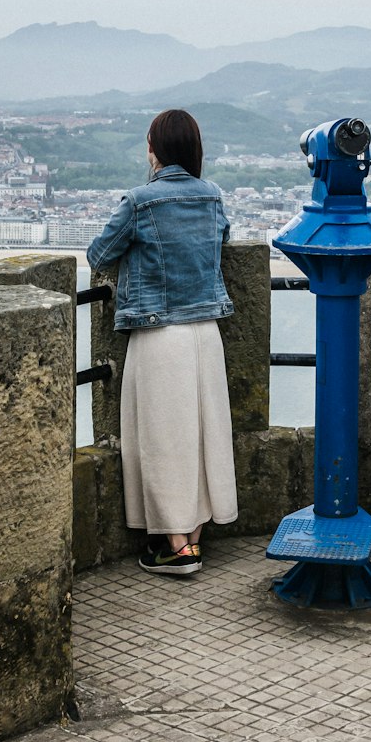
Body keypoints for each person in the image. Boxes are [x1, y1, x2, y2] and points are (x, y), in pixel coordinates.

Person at [86, 109, 238, 575]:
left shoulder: (139, 201)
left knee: (162, 439)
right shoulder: (212, 196)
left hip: (158, 335)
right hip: (205, 333)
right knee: (203, 433)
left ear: (154, 149)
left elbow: (99, 254)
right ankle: (193, 537)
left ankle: (175, 547)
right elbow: (223, 241)